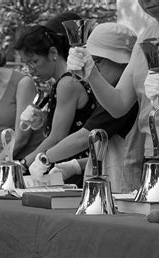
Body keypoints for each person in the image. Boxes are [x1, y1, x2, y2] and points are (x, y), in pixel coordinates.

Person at [67, 0, 159, 196]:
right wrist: (90, 72)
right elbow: (119, 105)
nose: (145, 1)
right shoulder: (145, 36)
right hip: (151, 155)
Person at [28, 23, 140, 193]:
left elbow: (83, 138)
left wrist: (45, 158)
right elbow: (107, 150)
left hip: (122, 192)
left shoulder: (119, 97)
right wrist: (75, 166)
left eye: (99, 62)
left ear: (124, 62)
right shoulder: (111, 93)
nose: (93, 68)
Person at [13, 24, 99, 186]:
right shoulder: (62, 81)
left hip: (73, 170)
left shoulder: (67, 83)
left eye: (34, 62)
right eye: (27, 64)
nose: (31, 70)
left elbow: (57, 137)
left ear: (53, 53)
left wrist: (24, 163)